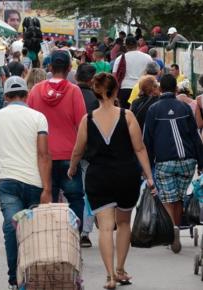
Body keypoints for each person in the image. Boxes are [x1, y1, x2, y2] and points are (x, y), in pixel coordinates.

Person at [68, 73, 155, 289]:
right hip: (126, 176)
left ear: (96, 91)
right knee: (124, 223)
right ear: (116, 91)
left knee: (105, 228)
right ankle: (121, 269)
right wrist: (149, 177)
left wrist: (71, 168)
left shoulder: (87, 120)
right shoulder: (127, 116)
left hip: (99, 177)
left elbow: (78, 150)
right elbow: (139, 148)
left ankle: (109, 277)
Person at [0, 76, 52, 289]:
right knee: (36, 231)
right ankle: (34, 274)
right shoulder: (39, 117)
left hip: (9, 183)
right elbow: (44, 155)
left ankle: (14, 280)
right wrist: (47, 188)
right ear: (26, 95)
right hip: (36, 183)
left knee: (12, 229)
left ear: (5, 96)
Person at [143, 73, 203, 253]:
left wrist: (147, 168)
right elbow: (194, 136)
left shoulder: (153, 109)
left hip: (165, 162)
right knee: (179, 198)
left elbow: (148, 140)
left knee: (169, 199)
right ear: (176, 89)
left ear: (160, 89)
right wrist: (201, 163)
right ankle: (176, 226)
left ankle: (173, 230)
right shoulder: (184, 108)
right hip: (187, 161)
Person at [27, 50, 86, 228]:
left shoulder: (36, 91)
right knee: (75, 197)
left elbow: (29, 122)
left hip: (44, 154)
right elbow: (82, 124)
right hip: (69, 154)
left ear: (50, 67)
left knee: (47, 195)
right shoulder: (74, 91)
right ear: (69, 68)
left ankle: (50, 234)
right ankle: (75, 234)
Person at [74, 63, 98, 247]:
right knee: (88, 193)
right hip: (90, 151)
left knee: (69, 192)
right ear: (92, 80)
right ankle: (85, 232)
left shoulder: (69, 94)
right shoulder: (94, 99)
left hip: (68, 149)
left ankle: (69, 227)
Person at [112, 36, 152, 108]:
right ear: (137, 44)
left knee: (125, 114)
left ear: (125, 46)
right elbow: (152, 73)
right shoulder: (147, 57)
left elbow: (114, 76)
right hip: (142, 89)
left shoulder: (120, 59)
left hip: (125, 89)